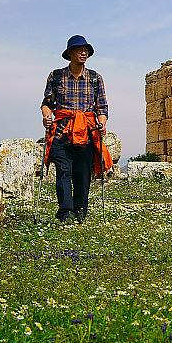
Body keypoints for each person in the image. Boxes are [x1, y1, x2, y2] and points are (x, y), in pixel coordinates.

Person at [41, 35, 112, 224]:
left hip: (86, 134)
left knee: (82, 174)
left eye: (86, 49)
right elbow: (47, 104)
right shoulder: (56, 76)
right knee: (64, 172)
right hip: (61, 134)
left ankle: (80, 213)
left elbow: (102, 108)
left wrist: (102, 124)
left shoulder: (95, 78)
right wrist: (47, 116)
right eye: (79, 49)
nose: (84, 52)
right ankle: (65, 213)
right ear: (70, 53)